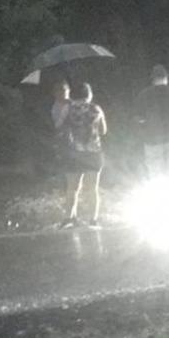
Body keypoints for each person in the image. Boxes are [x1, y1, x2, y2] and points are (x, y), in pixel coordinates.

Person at [58, 82, 106, 229]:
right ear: (89, 94)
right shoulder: (96, 108)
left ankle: (69, 218)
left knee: (72, 188)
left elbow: (59, 125)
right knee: (92, 189)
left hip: (74, 153)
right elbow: (104, 130)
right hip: (93, 153)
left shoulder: (68, 108)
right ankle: (93, 220)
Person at [135, 65, 169, 180]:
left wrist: (147, 121)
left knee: (155, 175)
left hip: (152, 140)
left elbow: (138, 118)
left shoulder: (144, 94)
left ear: (152, 79)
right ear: (167, 78)